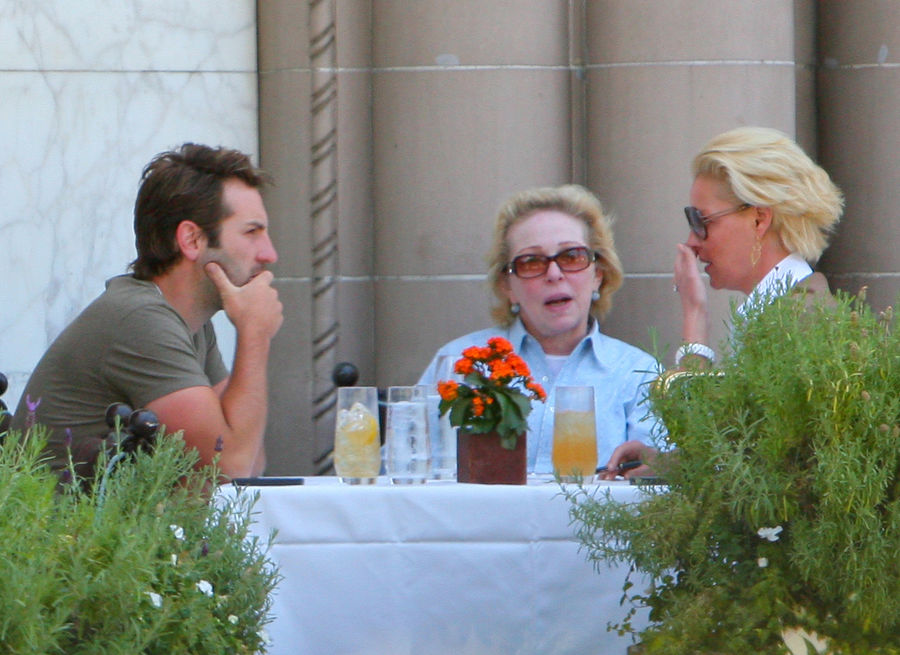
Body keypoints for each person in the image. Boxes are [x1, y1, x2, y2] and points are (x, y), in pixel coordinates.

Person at [11, 143, 283, 480]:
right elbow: (230, 469)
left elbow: (250, 460)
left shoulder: (190, 322)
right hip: (60, 516)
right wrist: (255, 333)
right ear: (192, 240)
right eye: (252, 232)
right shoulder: (140, 319)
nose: (269, 254)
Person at [602, 126, 844, 478]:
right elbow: (742, 454)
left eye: (701, 221)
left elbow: (755, 473)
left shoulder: (798, 322)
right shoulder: (786, 311)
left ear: (759, 219)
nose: (692, 241)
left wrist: (694, 322)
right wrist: (662, 462)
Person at [418, 184, 660, 475]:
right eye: (531, 262)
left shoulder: (638, 374)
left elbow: (660, 486)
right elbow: (402, 469)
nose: (554, 274)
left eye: (571, 257)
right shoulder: (458, 364)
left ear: (598, 274)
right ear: (507, 285)